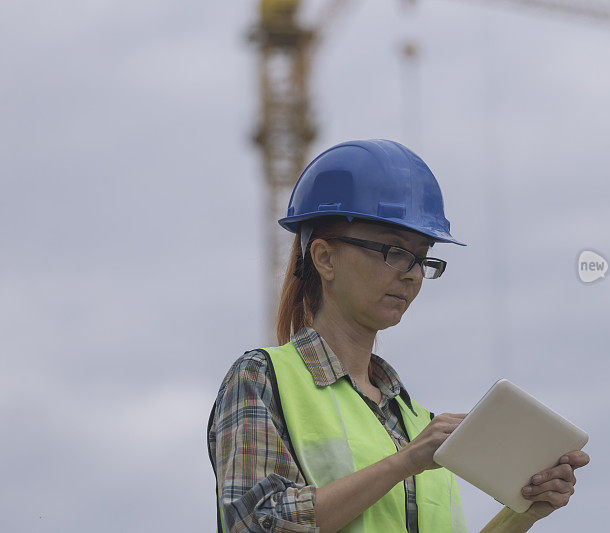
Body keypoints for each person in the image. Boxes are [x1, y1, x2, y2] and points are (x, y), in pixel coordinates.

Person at [206, 139, 590, 533]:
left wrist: (523, 513)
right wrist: (403, 462)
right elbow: (255, 524)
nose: (413, 273)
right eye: (394, 250)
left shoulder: (416, 421)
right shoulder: (261, 378)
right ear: (324, 258)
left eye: (423, 258)